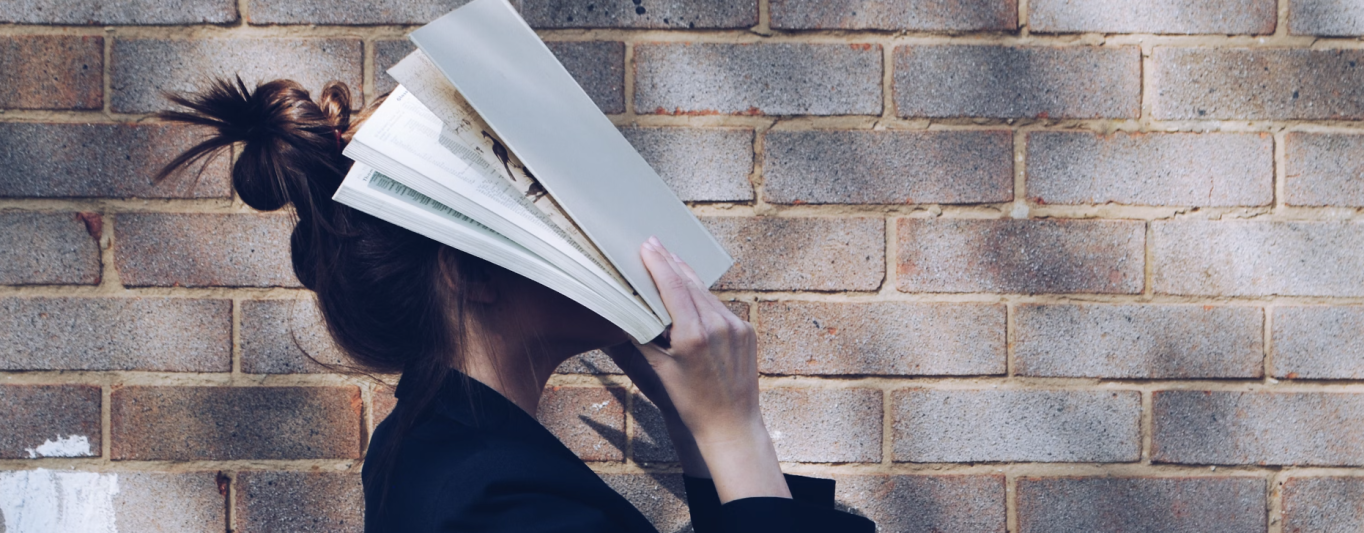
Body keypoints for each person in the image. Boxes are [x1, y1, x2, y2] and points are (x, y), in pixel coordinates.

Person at [156, 77, 875, 533]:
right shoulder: (490, 502)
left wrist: (695, 430)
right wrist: (736, 430)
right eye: (544, 201)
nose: (593, 223)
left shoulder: (446, 456)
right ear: (470, 273)